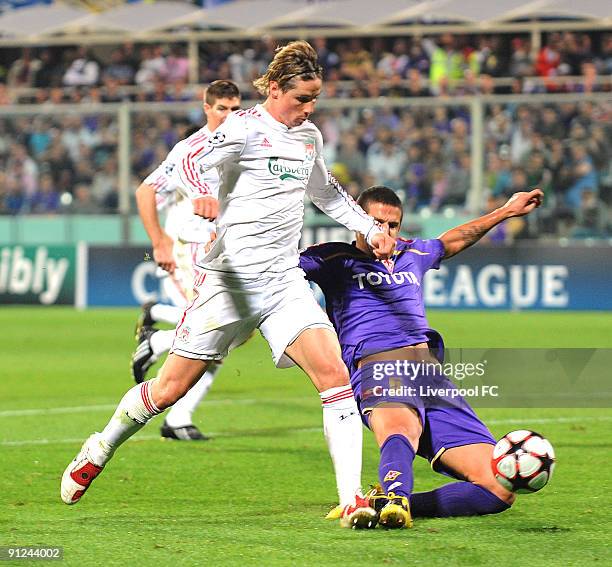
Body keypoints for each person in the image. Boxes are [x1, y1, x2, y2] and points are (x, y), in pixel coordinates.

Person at [60, 41, 395, 515]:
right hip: (229, 284)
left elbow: (328, 193)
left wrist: (369, 227)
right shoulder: (242, 129)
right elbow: (195, 163)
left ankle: (351, 500)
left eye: (315, 98)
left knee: (335, 375)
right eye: (302, 98)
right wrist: (201, 195)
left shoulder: (309, 138)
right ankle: (100, 446)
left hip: (283, 281)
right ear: (275, 89)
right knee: (168, 390)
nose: (310, 108)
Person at [299, 185, 543, 529]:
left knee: (498, 485)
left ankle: (390, 502)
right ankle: (395, 496)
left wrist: (505, 211)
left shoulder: (412, 252)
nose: (384, 232)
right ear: (355, 219)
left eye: (393, 225)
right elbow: (276, 271)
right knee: (402, 427)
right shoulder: (332, 259)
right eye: (375, 222)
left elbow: (453, 241)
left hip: (432, 379)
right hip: (379, 367)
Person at [131, 80, 241, 441]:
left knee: (232, 333)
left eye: (235, 108)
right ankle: (178, 415)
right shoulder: (188, 151)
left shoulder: (246, 144)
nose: (229, 115)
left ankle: (157, 333)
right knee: (213, 333)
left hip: (228, 254)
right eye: (222, 108)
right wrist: (158, 241)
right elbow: (147, 191)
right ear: (207, 108)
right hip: (191, 252)